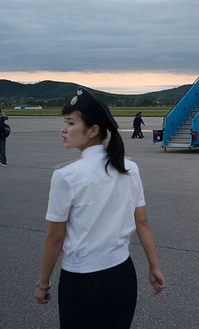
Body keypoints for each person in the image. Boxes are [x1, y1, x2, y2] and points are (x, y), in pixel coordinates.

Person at [34, 88, 165, 328]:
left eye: (71, 123)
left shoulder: (66, 176)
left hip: (82, 281)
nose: (64, 129)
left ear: (93, 130)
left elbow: (55, 237)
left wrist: (43, 284)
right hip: (122, 275)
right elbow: (142, 222)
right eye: (65, 122)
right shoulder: (129, 168)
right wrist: (154, 267)